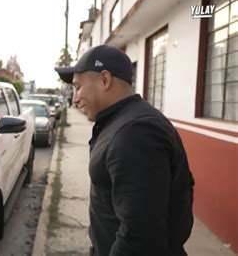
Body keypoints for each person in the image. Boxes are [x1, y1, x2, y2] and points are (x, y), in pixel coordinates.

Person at [55, 45, 194, 256]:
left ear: (104, 80)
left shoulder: (135, 133)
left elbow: (140, 237)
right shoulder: (122, 122)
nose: (74, 98)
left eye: (78, 87)